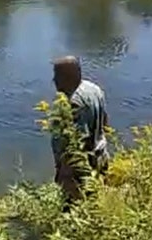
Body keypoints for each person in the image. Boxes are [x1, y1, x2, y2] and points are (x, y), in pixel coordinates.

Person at [50, 56, 110, 208]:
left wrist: (66, 173)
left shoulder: (74, 103)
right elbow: (105, 123)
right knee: (96, 203)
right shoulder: (94, 89)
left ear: (68, 77)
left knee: (73, 209)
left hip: (81, 169)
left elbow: (78, 143)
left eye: (57, 75)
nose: (54, 80)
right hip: (101, 156)